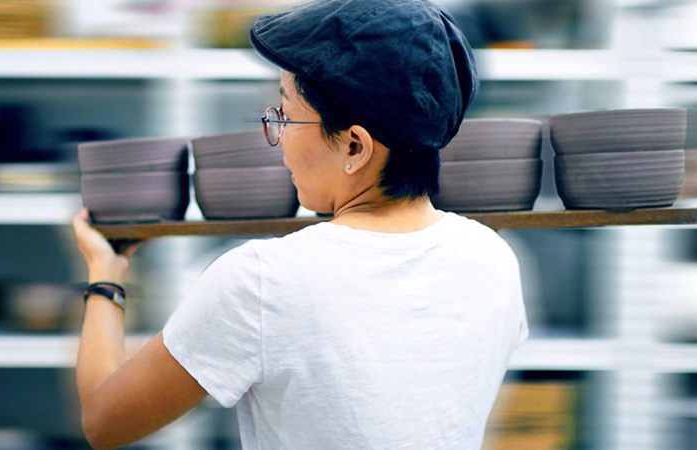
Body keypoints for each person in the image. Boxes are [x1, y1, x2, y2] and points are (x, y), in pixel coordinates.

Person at [72, 0, 529, 449]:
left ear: (355, 147)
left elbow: (103, 421)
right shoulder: (493, 258)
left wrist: (104, 278)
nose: (278, 137)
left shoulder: (263, 281)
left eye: (285, 115)